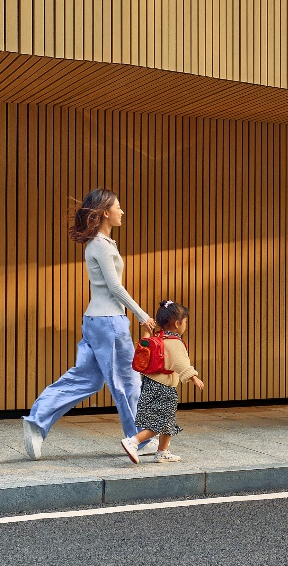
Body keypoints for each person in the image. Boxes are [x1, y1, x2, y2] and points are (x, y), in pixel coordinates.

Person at [23, 189, 159, 460]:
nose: (122, 211)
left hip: (96, 321)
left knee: (87, 378)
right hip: (109, 322)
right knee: (127, 381)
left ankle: (37, 421)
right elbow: (115, 288)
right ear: (105, 213)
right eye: (118, 207)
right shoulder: (101, 245)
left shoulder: (99, 243)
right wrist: (142, 315)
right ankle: (139, 440)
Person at [120, 300, 204, 464]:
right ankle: (133, 442)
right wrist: (194, 377)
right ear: (177, 324)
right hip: (164, 388)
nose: (185, 325)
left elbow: (143, 350)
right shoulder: (175, 343)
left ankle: (162, 452)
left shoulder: (156, 338)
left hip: (149, 385)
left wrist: (146, 332)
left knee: (167, 421)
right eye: (185, 322)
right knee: (159, 423)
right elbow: (181, 364)